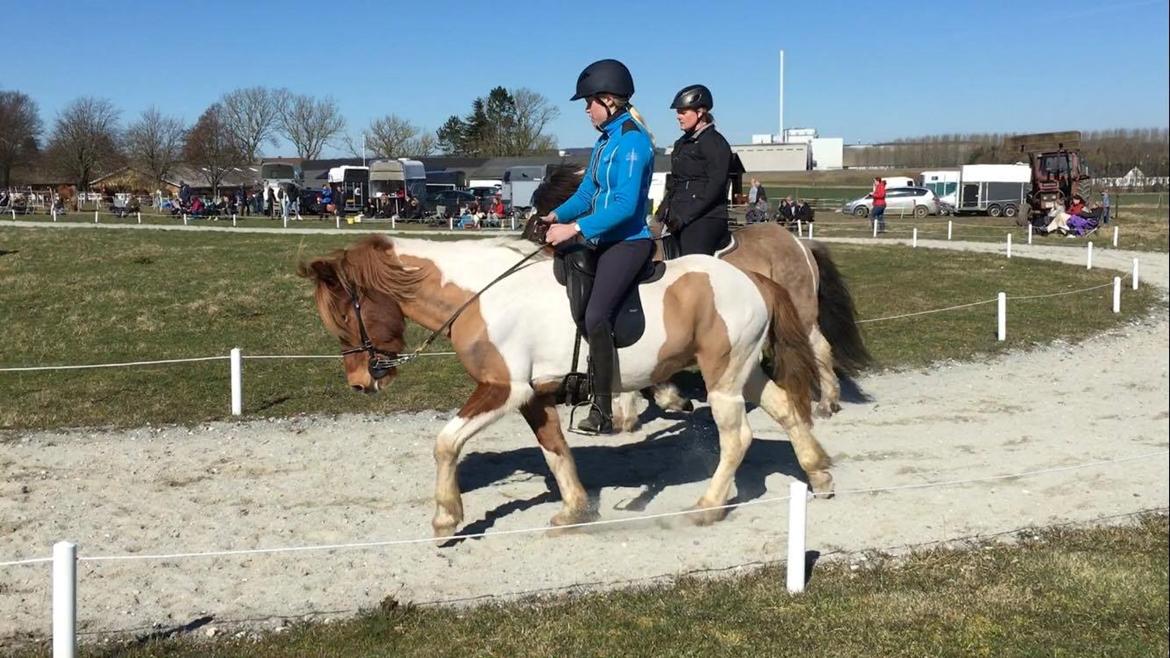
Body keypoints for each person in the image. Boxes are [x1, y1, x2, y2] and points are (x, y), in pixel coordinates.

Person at [540, 58, 655, 434]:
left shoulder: (634, 142)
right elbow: (588, 191)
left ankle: (603, 411)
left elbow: (623, 205)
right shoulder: (605, 141)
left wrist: (574, 228)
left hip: (627, 241)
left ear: (609, 100)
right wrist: (554, 215)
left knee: (596, 315)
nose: (586, 110)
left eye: (589, 102)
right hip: (599, 236)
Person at [660, 83, 731, 255]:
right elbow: (676, 182)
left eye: (683, 112)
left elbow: (716, 184)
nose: (678, 116)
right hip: (678, 216)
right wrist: (664, 208)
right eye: (678, 112)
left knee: (692, 266)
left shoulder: (715, 143)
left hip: (705, 218)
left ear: (700, 112)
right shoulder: (681, 144)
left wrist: (686, 216)